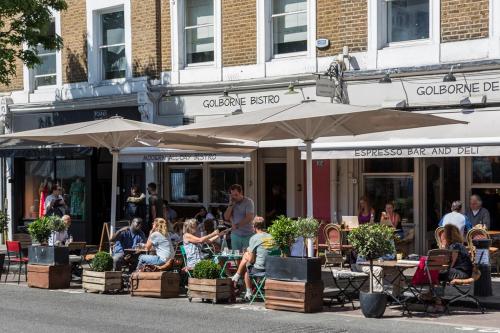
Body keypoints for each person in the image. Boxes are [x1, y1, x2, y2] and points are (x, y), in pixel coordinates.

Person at [231, 217, 275, 301]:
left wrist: (248, 252)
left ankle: (248, 291)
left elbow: (251, 260)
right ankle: (237, 275)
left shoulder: (254, 238)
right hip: (272, 268)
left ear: (254, 226)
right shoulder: (271, 236)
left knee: (247, 267)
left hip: (261, 269)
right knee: (247, 255)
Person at [224, 184, 255, 250]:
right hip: (235, 235)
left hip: (248, 234)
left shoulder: (248, 202)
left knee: (247, 257)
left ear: (241, 193)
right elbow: (226, 217)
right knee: (236, 257)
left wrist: (236, 225)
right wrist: (230, 205)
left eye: (236, 195)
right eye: (232, 195)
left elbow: (249, 218)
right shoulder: (232, 203)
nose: (234, 197)